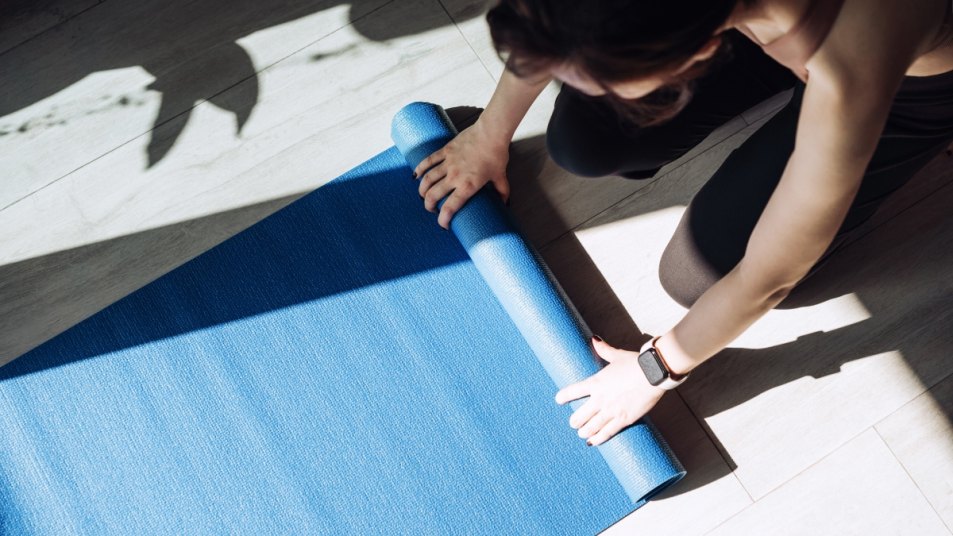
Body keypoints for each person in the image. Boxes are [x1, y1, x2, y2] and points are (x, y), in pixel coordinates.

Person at [412, 0, 953, 446]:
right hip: (756, 27)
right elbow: (552, 23)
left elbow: (770, 272)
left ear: (693, 54)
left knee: (702, 273)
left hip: (907, 85)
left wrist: (655, 369)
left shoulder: (855, 60)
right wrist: (490, 132)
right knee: (585, 140)